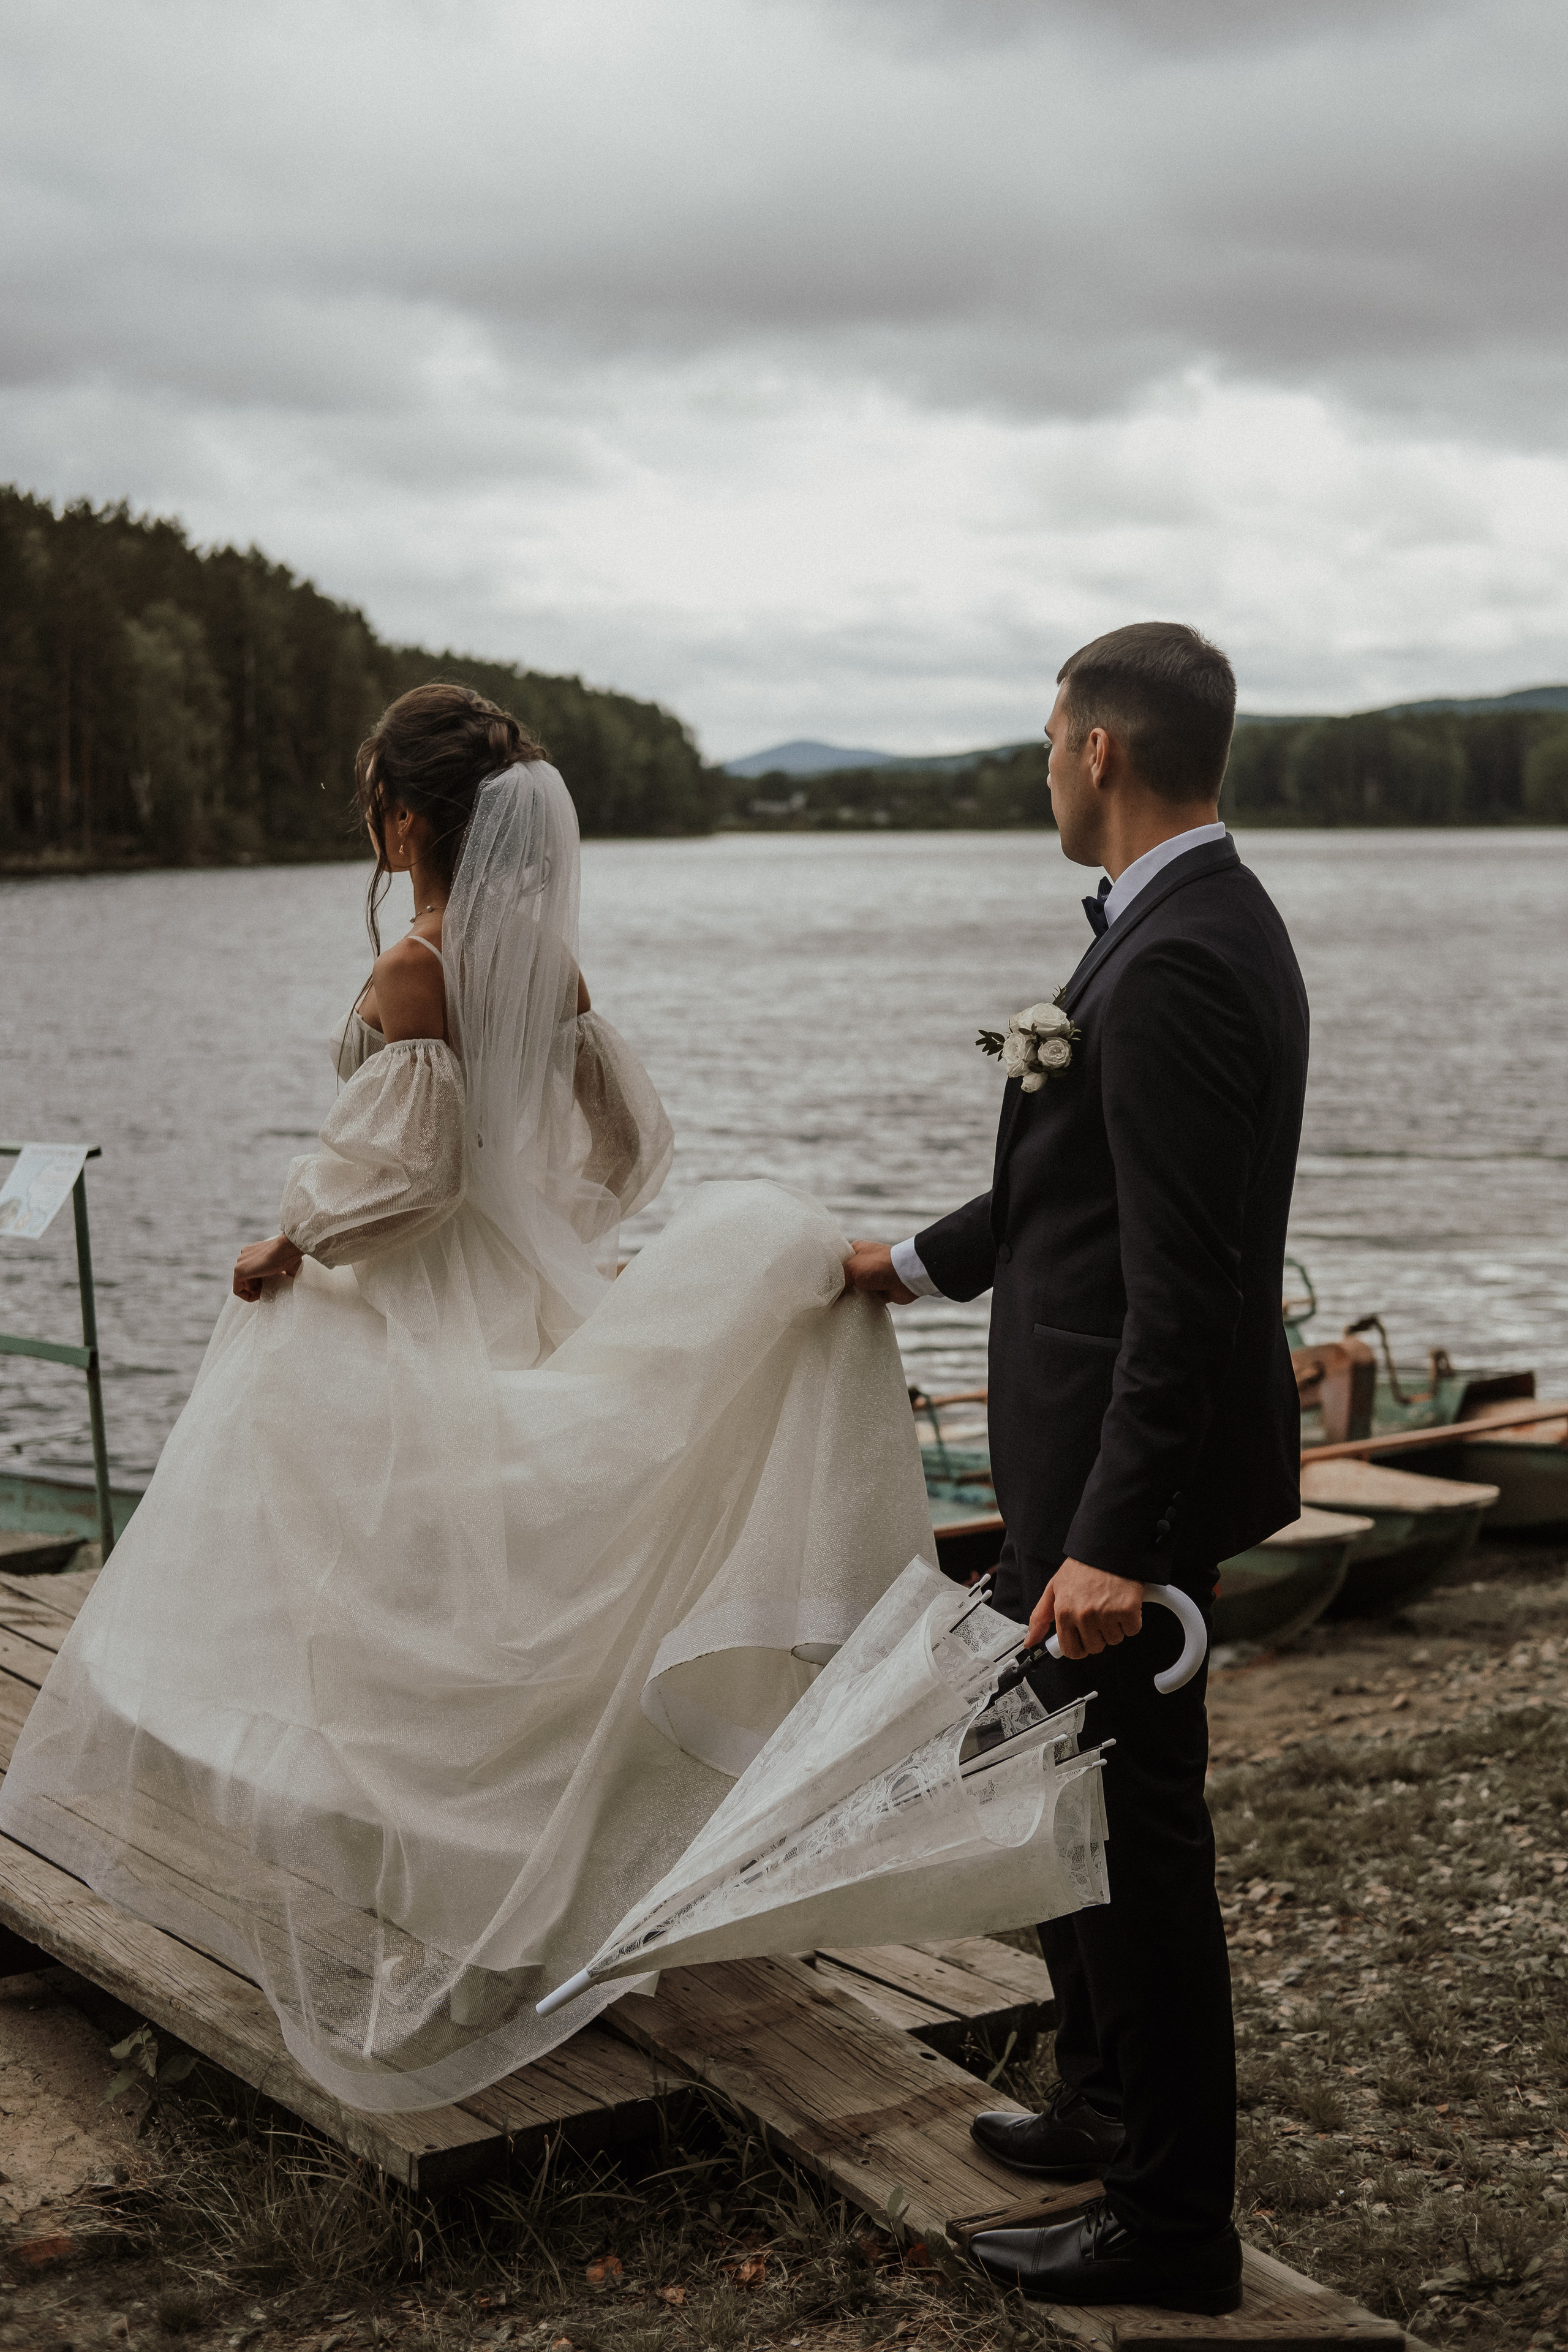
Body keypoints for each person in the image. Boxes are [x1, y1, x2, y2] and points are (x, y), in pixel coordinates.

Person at [0, 683, 933, 2114]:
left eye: (373, 797)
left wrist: (291, 1241)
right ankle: (505, 1844)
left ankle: (418, 1855)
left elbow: (406, 1182)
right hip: (524, 1290)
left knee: (382, 1588)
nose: (366, 819)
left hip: (407, 1304)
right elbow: (626, 1145)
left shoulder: (411, 973)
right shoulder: (548, 972)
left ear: (405, 822)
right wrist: (549, 1223)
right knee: (497, 1588)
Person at [844, 622, 1308, 2314]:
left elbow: (1182, 1287)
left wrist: (1116, 1540)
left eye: (1051, 740)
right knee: (1072, 1817)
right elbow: (1082, 1196)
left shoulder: (1179, 956)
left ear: (1099, 753)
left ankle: (1172, 2229)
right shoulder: (1182, 926)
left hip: (1134, 1490)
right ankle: (1110, 2110)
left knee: (1132, 1842)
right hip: (1095, 1460)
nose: (1047, 765)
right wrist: (900, 1261)